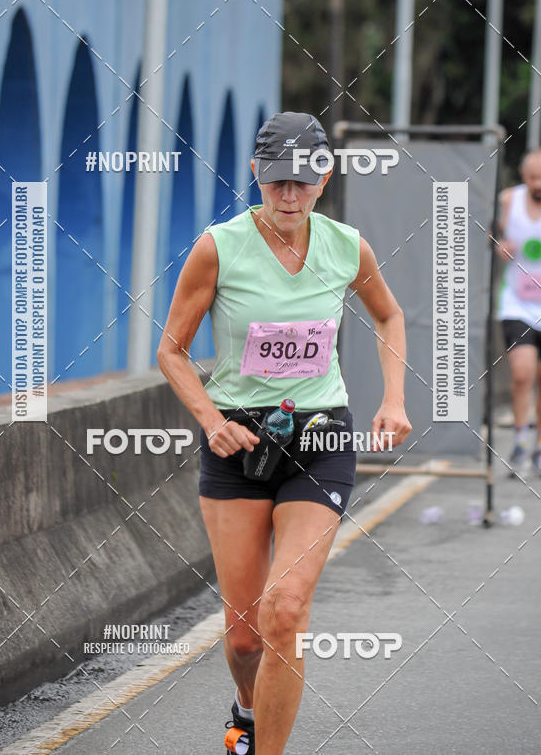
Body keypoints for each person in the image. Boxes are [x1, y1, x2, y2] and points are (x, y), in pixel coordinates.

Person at [157, 111, 411, 755]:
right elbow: (173, 351)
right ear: (255, 177)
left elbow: (388, 314)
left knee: (286, 610)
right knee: (244, 635)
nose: (290, 195)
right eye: (277, 183)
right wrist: (211, 422)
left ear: (324, 177)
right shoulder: (219, 247)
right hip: (237, 441)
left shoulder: (347, 246)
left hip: (320, 438)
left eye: (303, 180)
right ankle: (246, 710)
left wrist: (393, 399)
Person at [496, 147, 541, 477]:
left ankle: (538, 445)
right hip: (517, 302)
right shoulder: (509, 200)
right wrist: (500, 244)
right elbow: (492, 235)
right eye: (531, 177)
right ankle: (521, 440)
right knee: (523, 372)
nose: (536, 183)